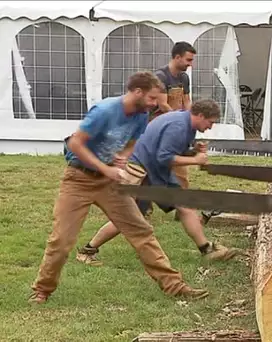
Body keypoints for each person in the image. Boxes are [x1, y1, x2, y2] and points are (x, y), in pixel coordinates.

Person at [29, 72, 208, 304]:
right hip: (78, 180)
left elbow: (133, 141)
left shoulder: (142, 115)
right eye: (153, 98)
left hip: (109, 183)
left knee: (141, 231)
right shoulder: (105, 111)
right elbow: (75, 143)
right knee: (61, 240)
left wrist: (122, 157)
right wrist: (106, 168)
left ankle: (174, 286)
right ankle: (42, 290)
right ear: (137, 92)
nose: (156, 104)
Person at [75, 99, 240, 266]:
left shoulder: (185, 124)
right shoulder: (179, 127)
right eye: (210, 122)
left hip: (151, 170)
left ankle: (206, 249)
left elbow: (171, 151)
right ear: (200, 115)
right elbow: (164, 157)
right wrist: (196, 160)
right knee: (129, 216)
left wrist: (193, 152)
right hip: (142, 170)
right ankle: (87, 251)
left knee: (181, 206)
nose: (210, 127)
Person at [150, 41, 198, 221]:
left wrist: (190, 120)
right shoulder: (160, 77)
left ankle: (183, 209)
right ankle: (142, 206)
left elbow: (187, 101)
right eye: (188, 60)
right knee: (149, 168)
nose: (190, 64)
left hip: (177, 127)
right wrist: (179, 121)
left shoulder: (185, 78)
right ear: (177, 57)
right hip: (159, 126)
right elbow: (162, 104)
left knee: (181, 169)